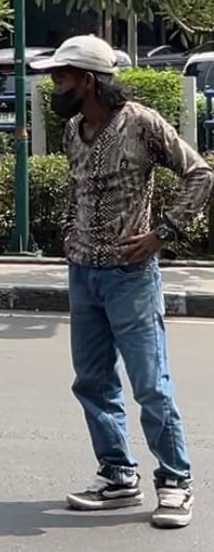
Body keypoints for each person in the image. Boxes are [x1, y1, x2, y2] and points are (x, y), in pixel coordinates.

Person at [32, 35, 213, 529]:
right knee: (92, 381)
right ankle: (117, 475)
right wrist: (71, 238)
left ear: (89, 80)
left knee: (150, 384)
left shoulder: (140, 122)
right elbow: (77, 189)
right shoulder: (73, 130)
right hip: (83, 273)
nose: (56, 84)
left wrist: (163, 233)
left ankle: (175, 481)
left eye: (63, 75)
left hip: (131, 276)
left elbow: (199, 174)